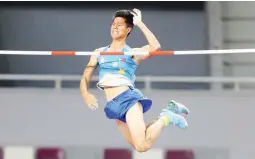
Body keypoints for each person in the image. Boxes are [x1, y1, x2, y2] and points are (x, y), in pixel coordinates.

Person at [80, 8, 189, 153]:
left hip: (128, 99)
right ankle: (167, 114)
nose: (115, 27)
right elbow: (85, 77)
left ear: (128, 29)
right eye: (113, 24)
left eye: (119, 24)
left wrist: (140, 24)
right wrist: (85, 94)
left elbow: (155, 47)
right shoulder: (99, 52)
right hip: (113, 106)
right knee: (140, 146)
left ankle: (167, 117)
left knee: (143, 145)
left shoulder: (132, 53)